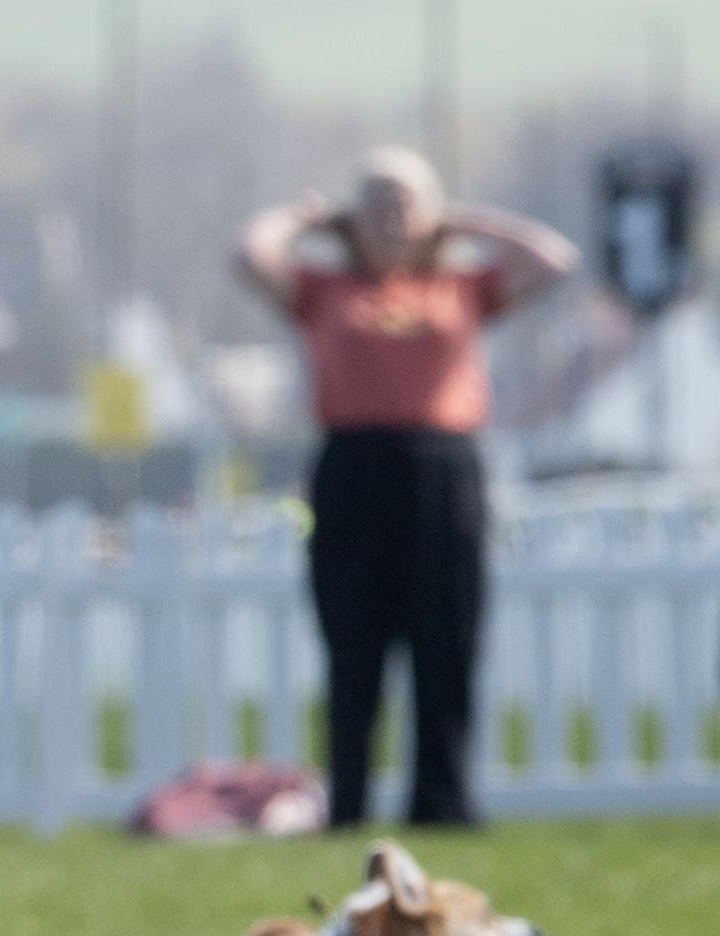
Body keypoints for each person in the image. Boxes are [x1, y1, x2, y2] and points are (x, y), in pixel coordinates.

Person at [236, 148, 576, 828]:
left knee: (446, 643)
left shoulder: (464, 288)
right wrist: (308, 220)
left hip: (443, 467)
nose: (391, 218)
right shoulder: (324, 291)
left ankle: (442, 803)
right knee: (353, 644)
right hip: (353, 466)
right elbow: (250, 254)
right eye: (376, 204)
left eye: (405, 203)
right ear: (352, 218)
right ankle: (350, 804)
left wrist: (469, 223)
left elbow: (553, 258)